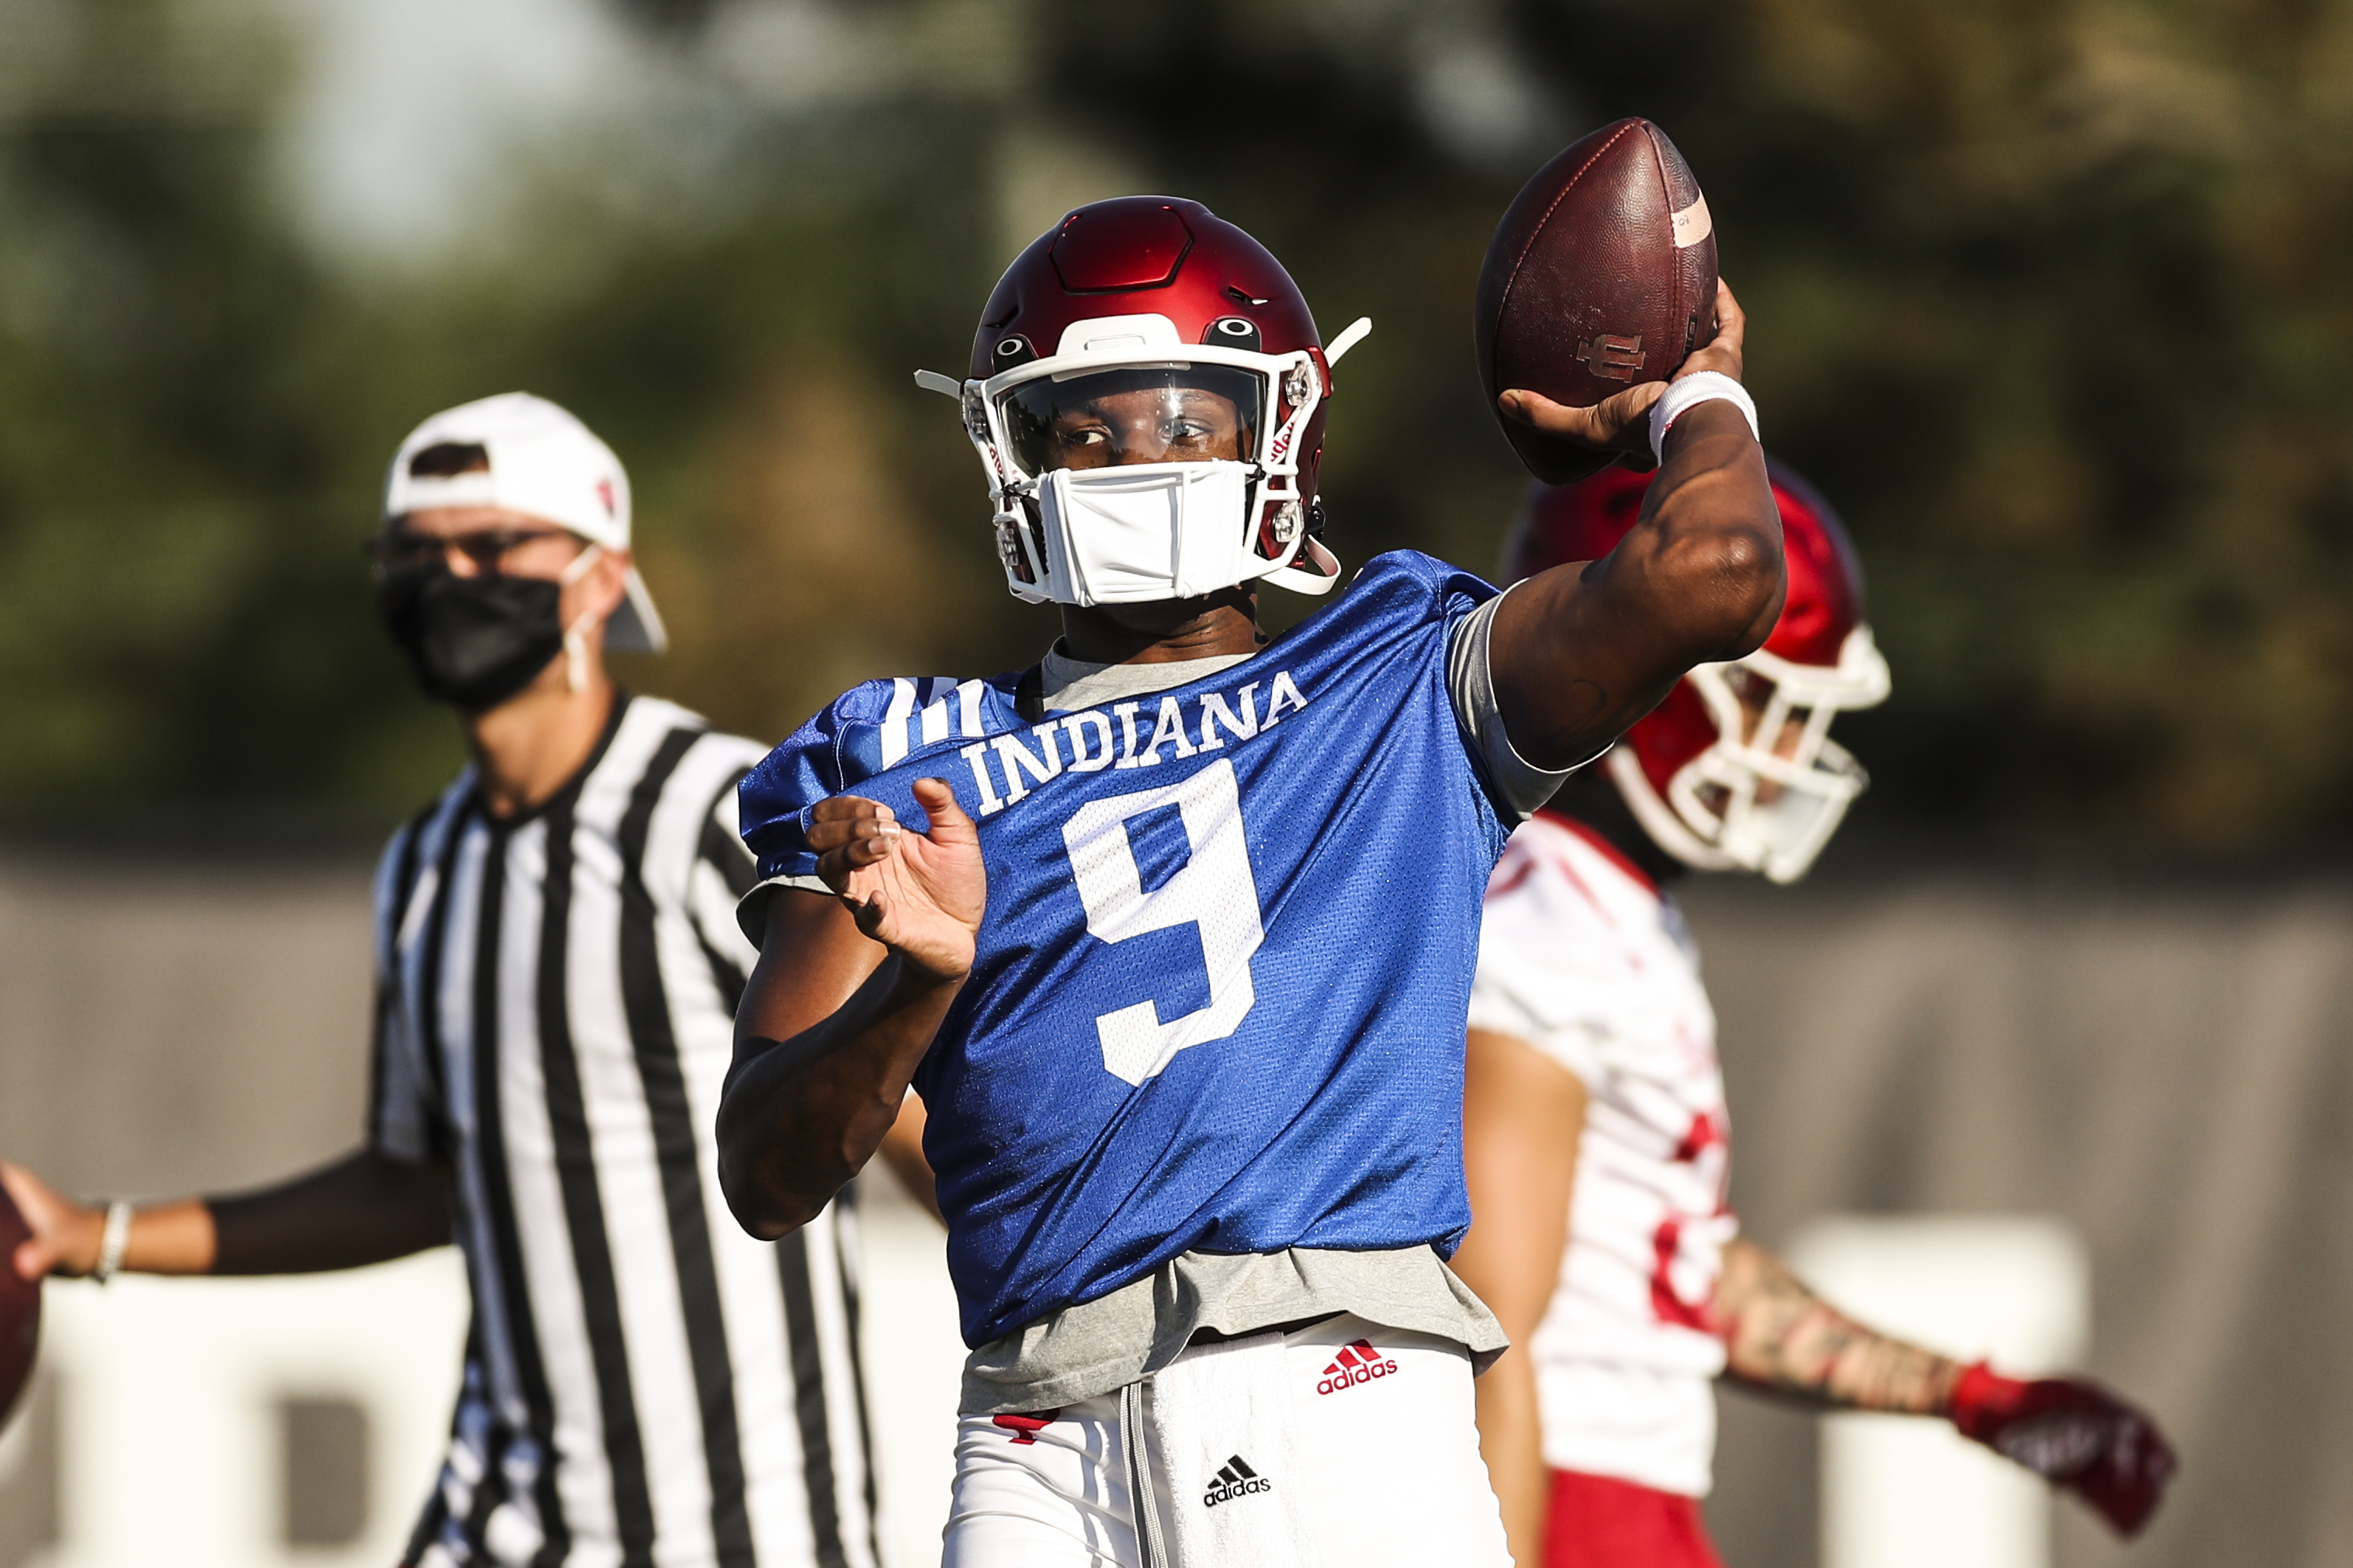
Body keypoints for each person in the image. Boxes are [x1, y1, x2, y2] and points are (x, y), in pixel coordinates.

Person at [712, 194, 1786, 1568]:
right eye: (1081, 428)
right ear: (1012, 451)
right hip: (1039, 1442)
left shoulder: (1399, 668)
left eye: (1183, 423)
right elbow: (764, 1172)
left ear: (1279, 429)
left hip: (1334, 1394)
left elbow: (1718, 570)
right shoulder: (904, 755)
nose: (1128, 463)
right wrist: (919, 987)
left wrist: (1696, 396)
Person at [2, 392, 906, 1568]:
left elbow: (892, 1091)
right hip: (501, 1521)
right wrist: (101, 1232)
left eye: (492, 545)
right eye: (417, 553)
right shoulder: (426, 864)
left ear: (595, 576)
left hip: (740, 1532)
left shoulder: (718, 805)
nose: (450, 576)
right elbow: (426, 1178)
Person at [1450, 465, 2179, 1568]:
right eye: (1766, 703)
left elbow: (1672, 1266)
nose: (1787, 752)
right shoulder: (1543, 918)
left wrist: (1966, 1394)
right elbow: (1483, 1331)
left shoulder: (1607, 914)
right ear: (1651, 675)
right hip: (1562, 1507)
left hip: (1616, 1501)